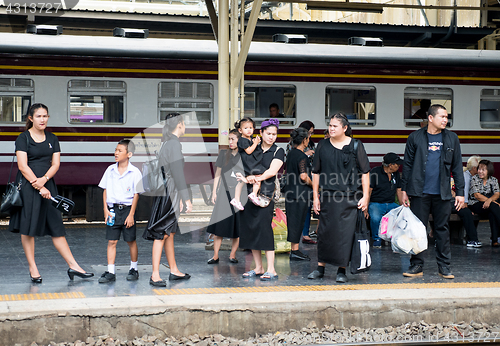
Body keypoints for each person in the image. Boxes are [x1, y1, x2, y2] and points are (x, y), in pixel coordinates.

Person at [8, 103, 94, 283]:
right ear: (30, 118)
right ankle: (33, 268)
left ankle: (73, 266)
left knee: (57, 226)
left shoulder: (52, 138)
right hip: (28, 186)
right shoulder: (23, 138)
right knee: (28, 228)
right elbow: (23, 166)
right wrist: (38, 185)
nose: (43, 119)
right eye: (39, 116)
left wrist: (44, 180)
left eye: (45, 116)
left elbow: (56, 164)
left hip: (47, 184)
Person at [401, 104, 465, 279]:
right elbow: (407, 165)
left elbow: (457, 166)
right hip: (419, 191)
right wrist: (404, 190)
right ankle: (416, 265)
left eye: (446, 117)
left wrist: (460, 192)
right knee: (417, 230)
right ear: (430, 118)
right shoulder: (415, 137)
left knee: (442, 229)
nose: (445, 120)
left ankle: (444, 266)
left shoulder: (452, 138)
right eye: (442, 117)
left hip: (442, 192)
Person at [307, 113, 370, 283]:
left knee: (344, 236)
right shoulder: (322, 145)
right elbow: (315, 172)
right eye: (330, 125)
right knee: (324, 233)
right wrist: (315, 196)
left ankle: (342, 269)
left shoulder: (356, 145)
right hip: (328, 196)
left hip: (350, 198)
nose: (331, 128)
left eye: (335, 126)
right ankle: (320, 267)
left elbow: (365, 173)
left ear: (345, 128)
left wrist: (365, 197)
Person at [143, 113, 193, 287]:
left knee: (169, 233)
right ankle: (155, 274)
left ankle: (174, 269)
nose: (185, 127)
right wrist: (185, 198)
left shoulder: (166, 142)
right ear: (179, 124)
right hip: (170, 189)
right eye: (184, 124)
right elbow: (178, 173)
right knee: (162, 233)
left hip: (165, 189)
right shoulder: (174, 144)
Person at [239, 118, 285, 281]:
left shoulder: (278, 150)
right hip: (248, 192)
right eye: (269, 133)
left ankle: (271, 269)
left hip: (265, 194)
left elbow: (272, 171)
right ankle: (258, 267)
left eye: (274, 134)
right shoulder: (253, 148)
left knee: (264, 227)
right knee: (251, 228)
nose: (272, 137)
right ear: (261, 133)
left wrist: (254, 178)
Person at [97, 139, 143, 283]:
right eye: (116, 150)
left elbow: (136, 194)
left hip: (128, 209)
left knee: (131, 240)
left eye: (119, 151)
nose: (116, 153)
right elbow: (105, 190)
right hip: (113, 210)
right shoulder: (110, 170)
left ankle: (134, 268)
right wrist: (105, 209)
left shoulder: (135, 172)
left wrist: (131, 215)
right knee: (112, 241)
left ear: (129, 154)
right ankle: (111, 271)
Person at [206, 129, 243, 264]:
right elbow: (217, 174)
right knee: (219, 225)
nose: (230, 142)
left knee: (236, 226)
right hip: (224, 192)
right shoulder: (224, 154)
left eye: (233, 139)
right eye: (229, 139)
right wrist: (214, 192)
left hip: (238, 193)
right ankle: (215, 255)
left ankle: (232, 255)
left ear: (240, 139)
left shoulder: (243, 154)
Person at [284, 121, 316, 244]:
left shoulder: (291, 153)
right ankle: (295, 251)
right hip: (300, 194)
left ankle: (294, 249)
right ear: (304, 140)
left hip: (291, 192)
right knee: (299, 221)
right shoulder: (302, 156)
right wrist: (314, 185)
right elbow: (303, 176)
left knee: (293, 222)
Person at [367, 152, 404, 248]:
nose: (399, 166)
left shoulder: (395, 174)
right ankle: (377, 239)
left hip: (391, 203)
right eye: (397, 164)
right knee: (375, 218)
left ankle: (397, 238)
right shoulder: (375, 172)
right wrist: (365, 207)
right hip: (376, 203)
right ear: (390, 165)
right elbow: (369, 191)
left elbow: (399, 191)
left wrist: (402, 207)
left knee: (402, 216)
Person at [233, 117, 265, 209]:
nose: (248, 130)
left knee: (242, 181)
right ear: (240, 130)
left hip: (247, 164)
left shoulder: (249, 139)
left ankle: (239, 198)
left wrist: (254, 142)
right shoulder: (242, 140)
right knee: (257, 177)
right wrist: (256, 143)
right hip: (247, 164)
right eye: (245, 128)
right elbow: (249, 151)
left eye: (250, 128)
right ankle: (252, 194)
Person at [451, 155, 482, 248]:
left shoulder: (470, 176)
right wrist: (467, 206)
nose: (480, 170)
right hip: (454, 202)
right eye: (479, 168)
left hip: (457, 201)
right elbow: (464, 198)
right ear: (474, 168)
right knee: (467, 212)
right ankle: (472, 239)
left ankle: (470, 238)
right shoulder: (466, 177)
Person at [468, 159, 500, 247]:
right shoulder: (474, 179)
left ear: (489, 170)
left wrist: (489, 201)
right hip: (475, 204)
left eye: (483, 170)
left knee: (492, 213)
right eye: (479, 169)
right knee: (494, 207)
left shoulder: (493, 180)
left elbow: (497, 194)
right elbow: (477, 195)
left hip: (489, 205)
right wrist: (491, 201)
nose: (480, 172)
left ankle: (494, 240)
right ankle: (495, 238)